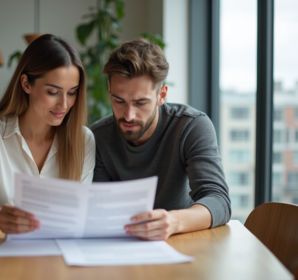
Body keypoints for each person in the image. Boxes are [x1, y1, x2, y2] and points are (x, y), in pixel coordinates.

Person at [0, 34, 95, 234]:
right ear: (26, 83)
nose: (64, 105)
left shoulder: (83, 140)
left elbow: (82, 212)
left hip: (59, 257)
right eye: (53, 92)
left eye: (72, 92)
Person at [91, 38, 231, 240]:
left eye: (140, 102)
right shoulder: (98, 136)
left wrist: (174, 221)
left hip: (182, 239)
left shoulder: (191, 126)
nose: (129, 115)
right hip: (121, 243)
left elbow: (219, 201)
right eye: (119, 100)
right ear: (110, 90)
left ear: (161, 95)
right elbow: (99, 209)